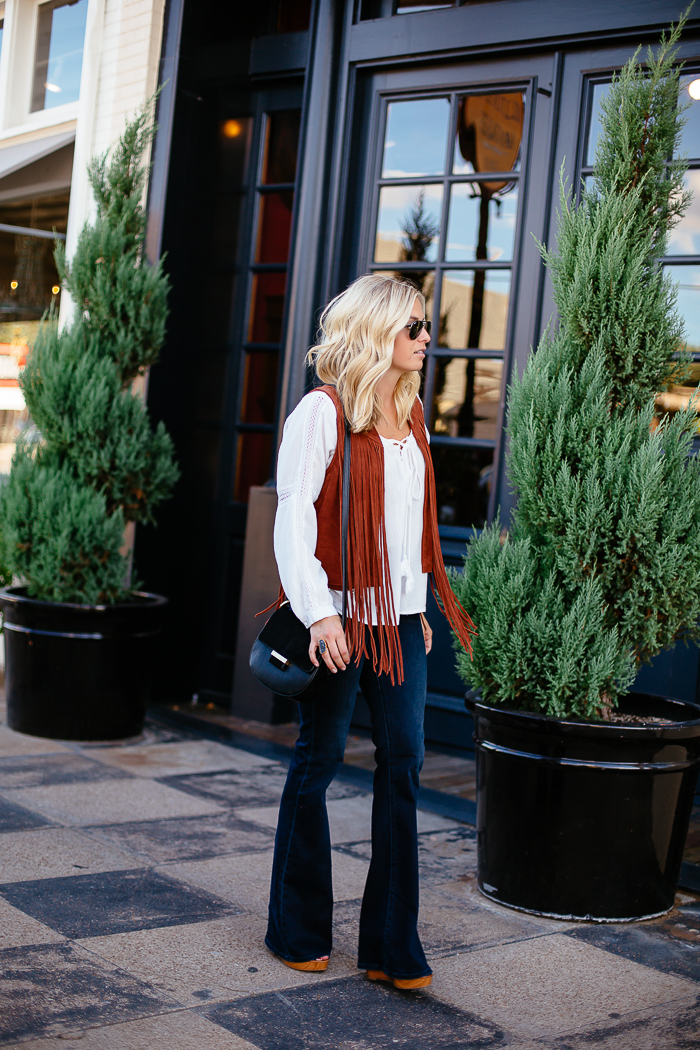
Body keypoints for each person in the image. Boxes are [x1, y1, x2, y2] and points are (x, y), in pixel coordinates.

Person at [265, 273, 475, 990]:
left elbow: (410, 529)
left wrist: (415, 610)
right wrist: (322, 613)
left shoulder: (412, 418)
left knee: (405, 762)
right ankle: (295, 928)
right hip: (338, 615)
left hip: (396, 618)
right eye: (413, 327)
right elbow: (294, 522)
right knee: (319, 760)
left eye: (426, 328)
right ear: (375, 331)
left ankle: (390, 945)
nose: (425, 339)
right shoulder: (321, 414)